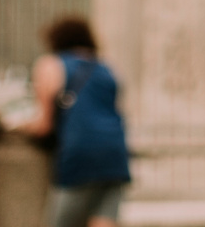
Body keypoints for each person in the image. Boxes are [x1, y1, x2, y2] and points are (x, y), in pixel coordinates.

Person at [20, 15, 132, 227]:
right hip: (115, 152)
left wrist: (18, 125)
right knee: (104, 221)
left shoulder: (51, 65)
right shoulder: (107, 68)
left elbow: (43, 126)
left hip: (80, 153)